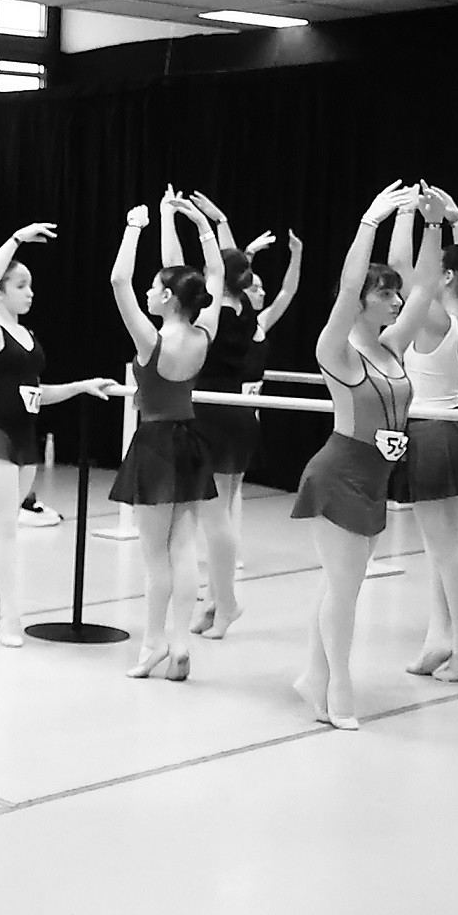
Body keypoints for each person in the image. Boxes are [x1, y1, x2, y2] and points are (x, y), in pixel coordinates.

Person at [291, 183, 434, 730]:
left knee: (339, 584)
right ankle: (339, 687)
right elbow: (349, 285)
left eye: (395, 294)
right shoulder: (337, 351)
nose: (396, 301)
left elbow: (426, 289)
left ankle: (314, 676)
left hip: (376, 478)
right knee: (347, 589)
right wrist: (369, 223)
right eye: (386, 293)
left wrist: (435, 224)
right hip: (339, 474)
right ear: (360, 302)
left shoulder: (392, 345)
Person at [0, 221, 118, 646]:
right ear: (0, 293)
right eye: (21, 285)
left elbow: (36, 393)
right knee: (6, 529)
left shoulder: (27, 334)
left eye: (30, 285)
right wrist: (15, 238)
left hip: (23, 436)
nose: (30, 293)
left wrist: (81, 386)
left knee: (0, 525)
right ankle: (11, 617)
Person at [162, 192, 300, 638]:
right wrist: (210, 223)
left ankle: (227, 604)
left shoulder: (212, 312)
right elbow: (226, 265)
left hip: (213, 414)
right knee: (218, 513)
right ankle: (215, 600)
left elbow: (177, 267)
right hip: (236, 415)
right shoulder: (246, 311)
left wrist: (184, 220)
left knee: (214, 517)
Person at [108, 193, 224, 681]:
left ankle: (153, 643)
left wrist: (134, 227)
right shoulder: (203, 333)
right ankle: (180, 642)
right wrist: (203, 227)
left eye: (155, 287)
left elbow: (119, 281)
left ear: (169, 298)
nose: (149, 292)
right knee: (184, 548)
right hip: (189, 440)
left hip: (155, 444)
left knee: (156, 555)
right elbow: (216, 274)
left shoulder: (151, 341)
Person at [388, 184, 458, 682]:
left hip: (431, 433)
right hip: (451, 428)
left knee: (445, 552)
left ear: (447, 276)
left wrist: (410, 216)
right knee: (441, 549)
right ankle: (440, 637)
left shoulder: (433, 320)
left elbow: (402, 268)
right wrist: (456, 220)